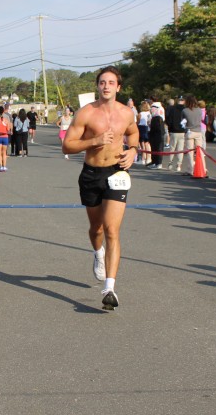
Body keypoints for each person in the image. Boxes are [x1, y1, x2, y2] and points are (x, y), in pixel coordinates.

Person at [61, 66, 138, 311]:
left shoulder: (126, 113)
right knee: (97, 229)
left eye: (111, 82)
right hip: (91, 174)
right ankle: (98, 252)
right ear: (97, 86)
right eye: (102, 82)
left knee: (112, 229)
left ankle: (109, 288)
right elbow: (67, 146)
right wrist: (94, 141)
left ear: (118, 87)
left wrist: (133, 151)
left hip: (117, 172)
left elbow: (133, 133)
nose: (106, 86)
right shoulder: (86, 113)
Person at [182, 96, 206, 177]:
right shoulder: (199, 110)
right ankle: (203, 168)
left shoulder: (185, 111)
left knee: (190, 152)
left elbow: (183, 122)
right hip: (198, 131)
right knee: (200, 151)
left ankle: (191, 170)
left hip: (189, 131)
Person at [164, 96, 186, 171]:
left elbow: (168, 119)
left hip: (173, 131)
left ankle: (170, 163)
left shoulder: (172, 108)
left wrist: (170, 127)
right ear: (184, 101)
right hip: (182, 131)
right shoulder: (185, 109)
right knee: (180, 149)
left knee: (172, 148)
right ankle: (179, 165)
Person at [0, 105, 12, 171]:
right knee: (4, 152)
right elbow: (8, 129)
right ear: (3, 112)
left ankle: (0, 166)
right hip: (5, 137)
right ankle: (4, 166)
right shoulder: (6, 120)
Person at [147, 102, 165, 169]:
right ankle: (154, 162)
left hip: (158, 136)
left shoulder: (158, 118)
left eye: (153, 108)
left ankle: (159, 163)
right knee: (154, 148)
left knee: (158, 149)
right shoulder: (154, 117)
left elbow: (159, 129)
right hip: (154, 135)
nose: (151, 109)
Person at [137, 102, 151, 166]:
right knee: (147, 143)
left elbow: (138, 122)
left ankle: (143, 159)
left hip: (141, 128)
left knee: (142, 144)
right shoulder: (149, 114)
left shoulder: (140, 114)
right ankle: (148, 158)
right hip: (147, 128)